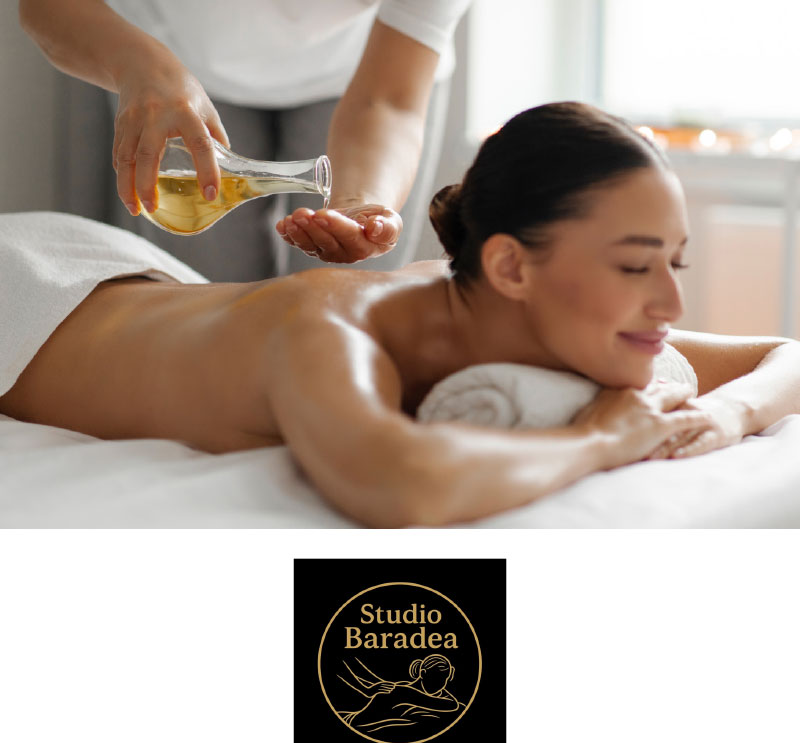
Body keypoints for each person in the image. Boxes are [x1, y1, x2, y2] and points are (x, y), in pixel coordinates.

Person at [2, 102, 800, 527]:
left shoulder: (519, 307)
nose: (671, 304)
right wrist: (599, 440)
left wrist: (729, 414)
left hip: (136, 283)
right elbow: (398, 484)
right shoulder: (330, 330)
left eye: (674, 263)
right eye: (633, 266)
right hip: (26, 291)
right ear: (511, 266)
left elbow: (784, 353)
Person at [18, 0, 470, 281]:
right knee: (203, 298)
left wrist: (361, 202)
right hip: (173, 59)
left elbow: (386, 100)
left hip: (368, 70)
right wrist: (140, 67)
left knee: (344, 297)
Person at [337, 655, 462, 739]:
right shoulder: (403, 691)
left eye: (444, 680)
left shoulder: (410, 687)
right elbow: (451, 704)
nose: (440, 685)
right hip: (352, 723)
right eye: (435, 679)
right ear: (423, 673)